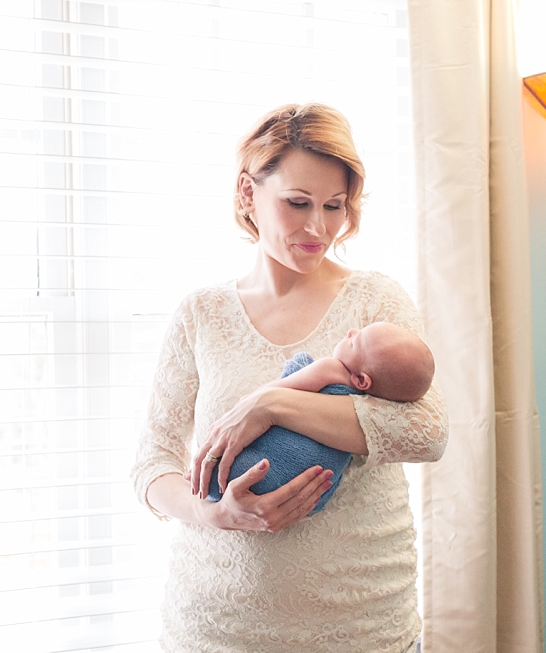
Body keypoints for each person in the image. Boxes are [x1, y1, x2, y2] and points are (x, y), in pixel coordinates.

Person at [130, 102, 448, 652]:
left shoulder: (376, 301)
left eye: (335, 205)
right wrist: (214, 512)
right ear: (249, 193)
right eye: (297, 203)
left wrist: (272, 406)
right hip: (217, 628)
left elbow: (425, 433)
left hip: (361, 626)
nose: (319, 227)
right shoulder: (201, 314)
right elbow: (152, 466)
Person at [203, 321, 436, 515]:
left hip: (272, 463)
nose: (350, 332)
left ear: (362, 381)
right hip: (312, 495)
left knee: (232, 470)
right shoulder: (374, 404)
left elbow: (276, 392)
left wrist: (247, 403)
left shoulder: (329, 369)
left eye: (354, 341)